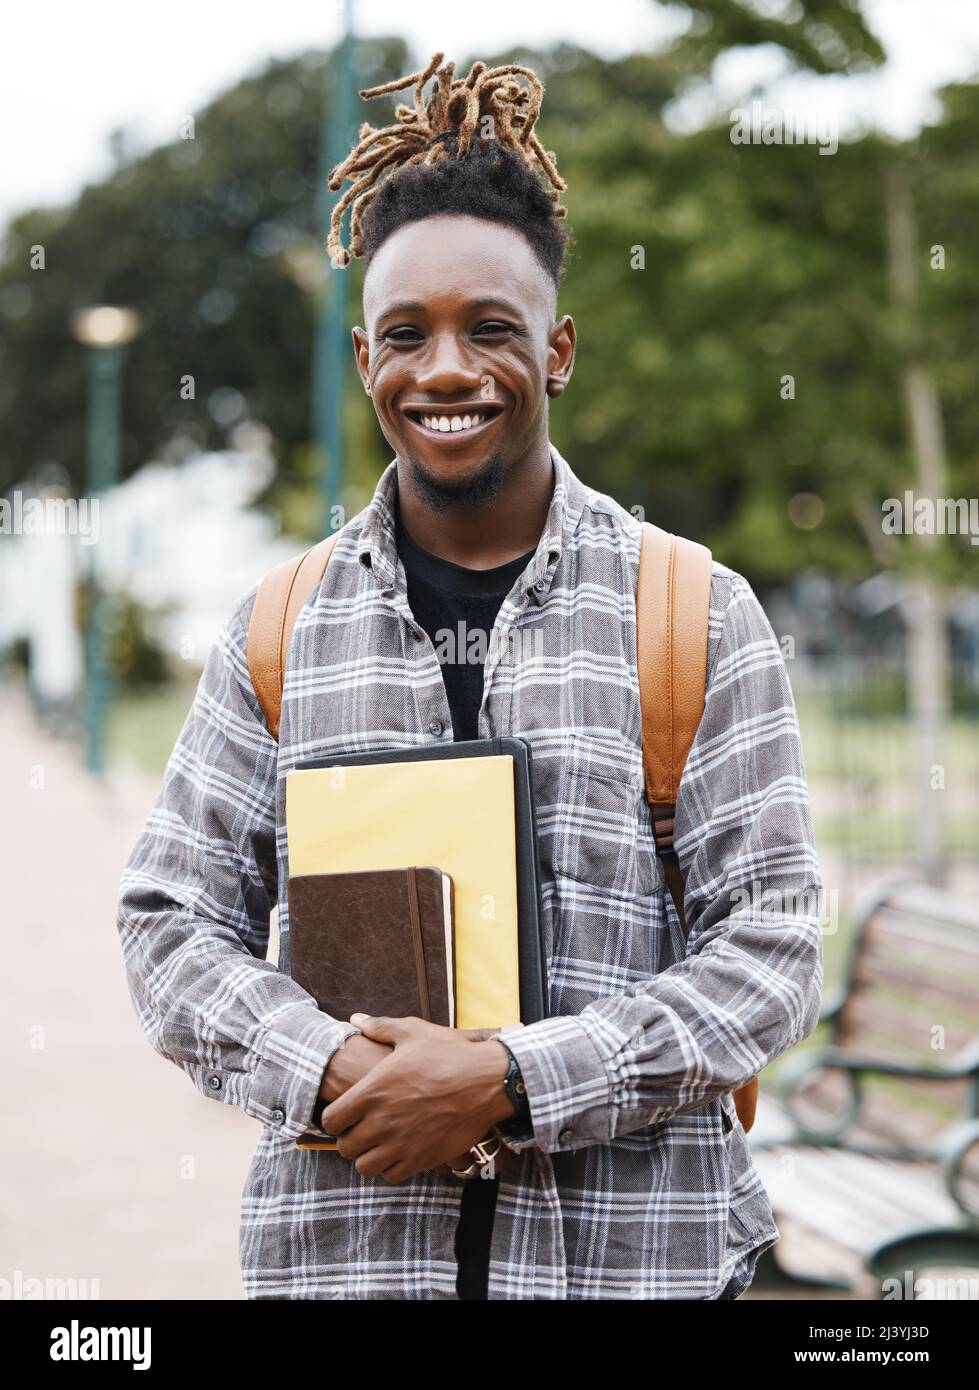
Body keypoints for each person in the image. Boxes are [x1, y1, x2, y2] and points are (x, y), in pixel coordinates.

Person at [116, 52, 824, 1301]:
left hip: (634, 1268)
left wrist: (508, 1080)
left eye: (489, 328)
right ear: (364, 355)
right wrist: (332, 1066)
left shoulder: (693, 615)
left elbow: (768, 949)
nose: (445, 370)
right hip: (344, 1265)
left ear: (555, 349)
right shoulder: (275, 628)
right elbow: (168, 922)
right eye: (407, 335)